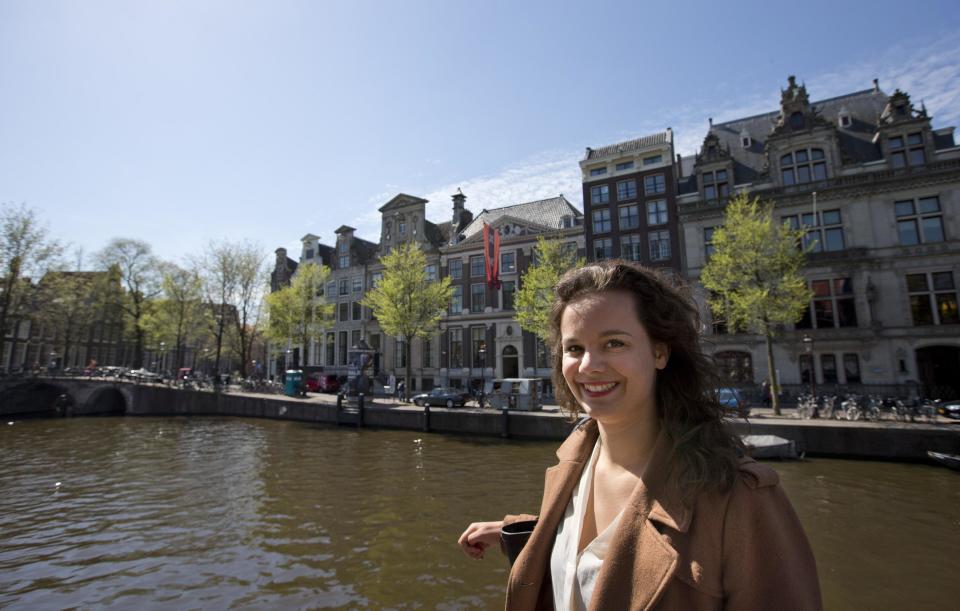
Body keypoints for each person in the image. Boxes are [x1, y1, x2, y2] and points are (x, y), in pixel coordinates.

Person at [458, 260, 820, 610]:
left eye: (614, 343)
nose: (589, 366)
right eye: (574, 348)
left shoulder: (740, 498)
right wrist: (526, 533)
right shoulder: (572, 465)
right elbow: (603, 548)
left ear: (659, 352)